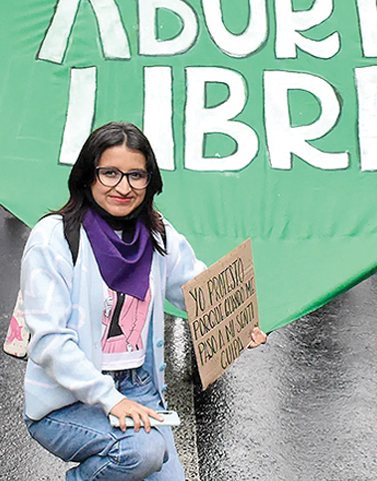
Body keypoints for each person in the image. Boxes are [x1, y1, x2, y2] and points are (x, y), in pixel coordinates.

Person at [22, 122, 267, 480]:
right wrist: (111, 399)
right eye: (110, 173)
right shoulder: (54, 239)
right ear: (87, 175)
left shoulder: (156, 233)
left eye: (136, 175)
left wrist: (238, 326)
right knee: (141, 453)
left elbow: (196, 289)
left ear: (150, 181)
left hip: (138, 385)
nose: (124, 187)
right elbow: (50, 341)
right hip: (66, 401)